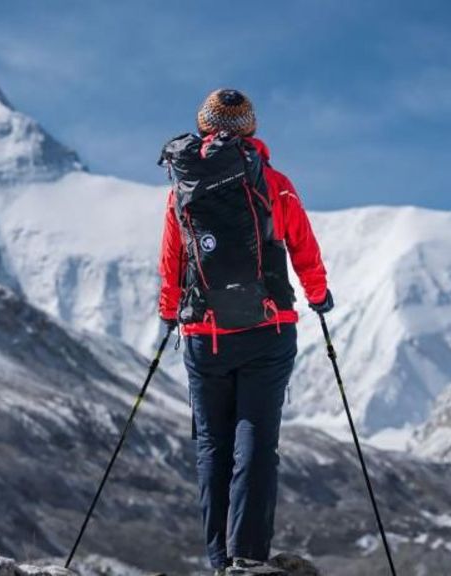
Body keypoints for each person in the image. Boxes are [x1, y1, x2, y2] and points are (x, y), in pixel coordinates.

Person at [157, 88, 333, 574]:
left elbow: (172, 260)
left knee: (212, 446)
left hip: (204, 334)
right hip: (267, 330)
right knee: (256, 441)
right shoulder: (274, 183)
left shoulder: (182, 188)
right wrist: (318, 295)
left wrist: (169, 312)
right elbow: (303, 246)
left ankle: (219, 560)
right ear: (250, 129)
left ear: (203, 126)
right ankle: (248, 557)